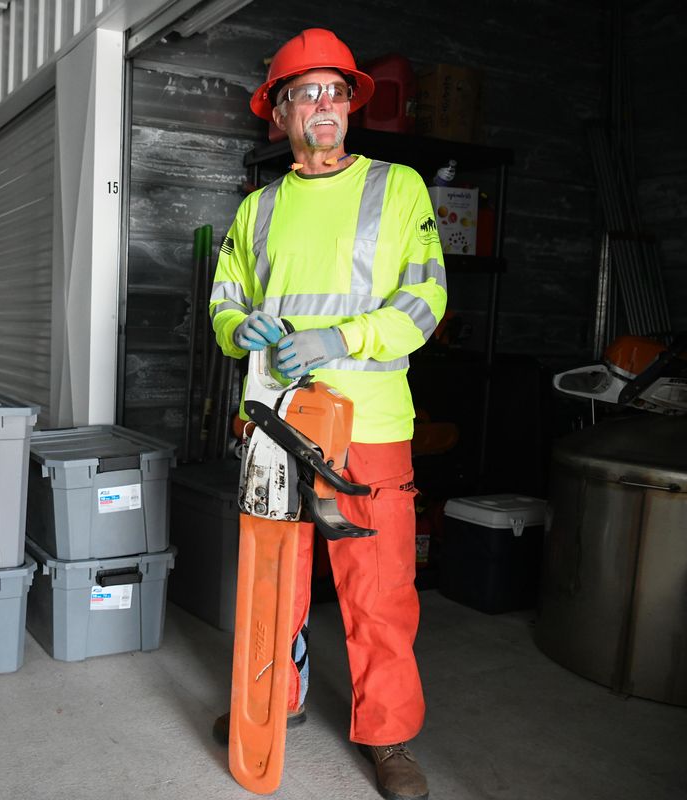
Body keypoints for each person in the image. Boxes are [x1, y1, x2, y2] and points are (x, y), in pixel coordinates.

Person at [209, 28, 447, 800]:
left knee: (378, 589)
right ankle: (268, 704)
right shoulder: (257, 207)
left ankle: (391, 738)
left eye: (335, 92)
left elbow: (425, 300)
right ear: (277, 113)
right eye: (304, 92)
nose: (323, 106)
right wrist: (233, 327)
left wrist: (339, 337)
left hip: (370, 423)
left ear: (351, 107)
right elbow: (227, 297)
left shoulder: (399, 187)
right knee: (271, 579)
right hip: (275, 421)